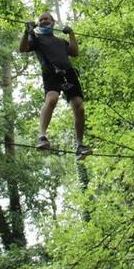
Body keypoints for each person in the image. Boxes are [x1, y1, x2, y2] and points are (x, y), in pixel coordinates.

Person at [19, 11, 91, 160]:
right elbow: (22, 48)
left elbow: (74, 52)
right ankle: (42, 136)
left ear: (53, 22)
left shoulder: (61, 41)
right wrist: (26, 32)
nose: (44, 21)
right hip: (51, 72)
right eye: (41, 19)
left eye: (47, 19)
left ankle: (79, 145)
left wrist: (71, 34)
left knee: (79, 106)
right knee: (52, 99)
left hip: (68, 73)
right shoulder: (36, 38)